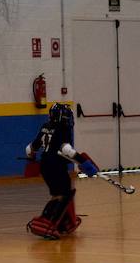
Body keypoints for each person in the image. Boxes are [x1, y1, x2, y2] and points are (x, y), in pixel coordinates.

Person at [25, 103, 99, 240]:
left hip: (45, 165)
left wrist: (32, 156)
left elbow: (30, 149)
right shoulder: (63, 128)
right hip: (57, 166)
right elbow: (66, 150)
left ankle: (60, 221)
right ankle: (49, 221)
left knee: (57, 194)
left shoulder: (45, 126)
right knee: (64, 195)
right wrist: (83, 162)